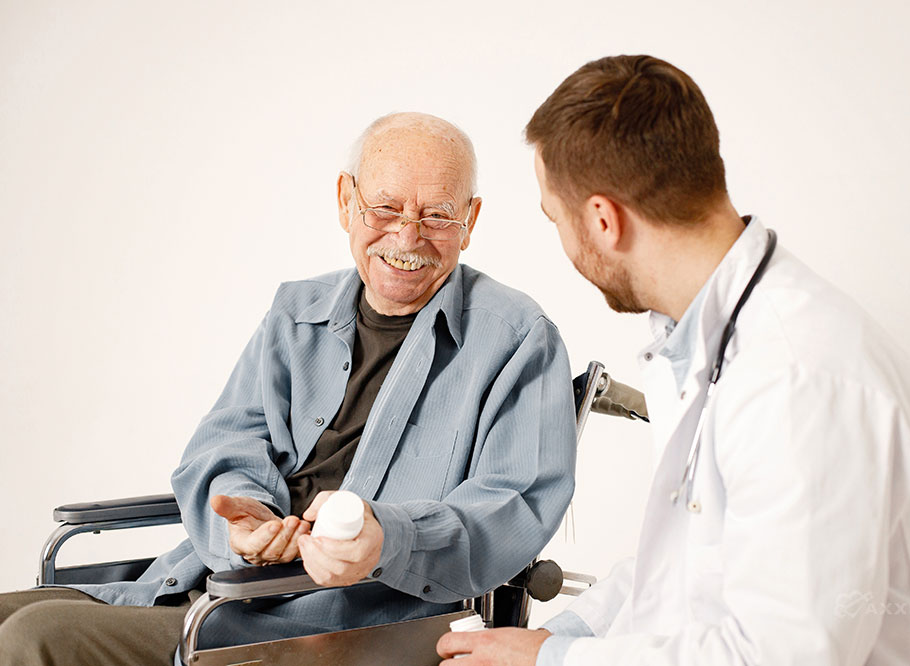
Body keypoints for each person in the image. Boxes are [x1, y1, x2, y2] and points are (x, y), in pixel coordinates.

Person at [437, 55, 910, 665]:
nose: (563, 241)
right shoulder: (709, 336)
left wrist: (553, 663)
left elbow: (781, 657)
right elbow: (684, 561)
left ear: (602, 220)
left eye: (554, 218)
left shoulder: (798, 375)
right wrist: (561, 638)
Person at [0, 112, 577, 665]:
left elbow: (512, 509)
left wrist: (387, 538)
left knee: (34, 639)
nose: (408, 234)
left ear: (470, 221)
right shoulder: (294, 314)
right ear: (346, 201)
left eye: (437, 216)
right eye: (385, 207)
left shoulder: (518, 340)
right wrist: (244, 522)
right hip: (209, 585)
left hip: (342, 627)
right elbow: (226, 446)